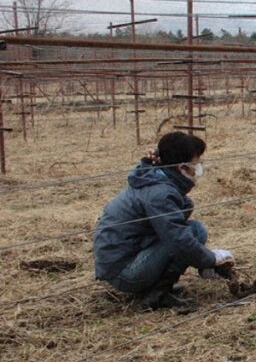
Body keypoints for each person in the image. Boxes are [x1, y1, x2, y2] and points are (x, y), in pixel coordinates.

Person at [92, 132, 234, 310]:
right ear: (182, 167)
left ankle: (156, 287)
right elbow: (178, 239)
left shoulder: (154, 176)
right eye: (197, 162)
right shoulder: (160, 193)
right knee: (192, 233)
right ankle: (158, 295)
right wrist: (211, 260)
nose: (199, 167)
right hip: (124, 272)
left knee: (195, 229)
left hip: (125, 258)